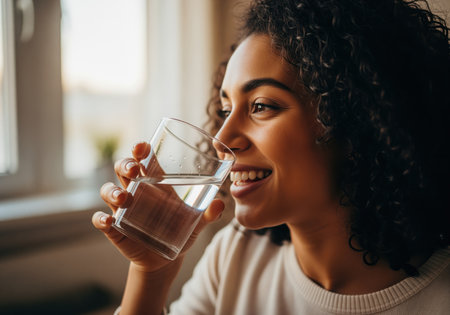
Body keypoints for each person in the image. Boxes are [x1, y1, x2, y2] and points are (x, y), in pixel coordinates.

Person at [92, 0, 450, 314]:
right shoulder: (236, 255)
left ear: (360, 119)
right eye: (225, 108)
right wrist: (151, 275)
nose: (221, 139)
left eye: (261, 106)